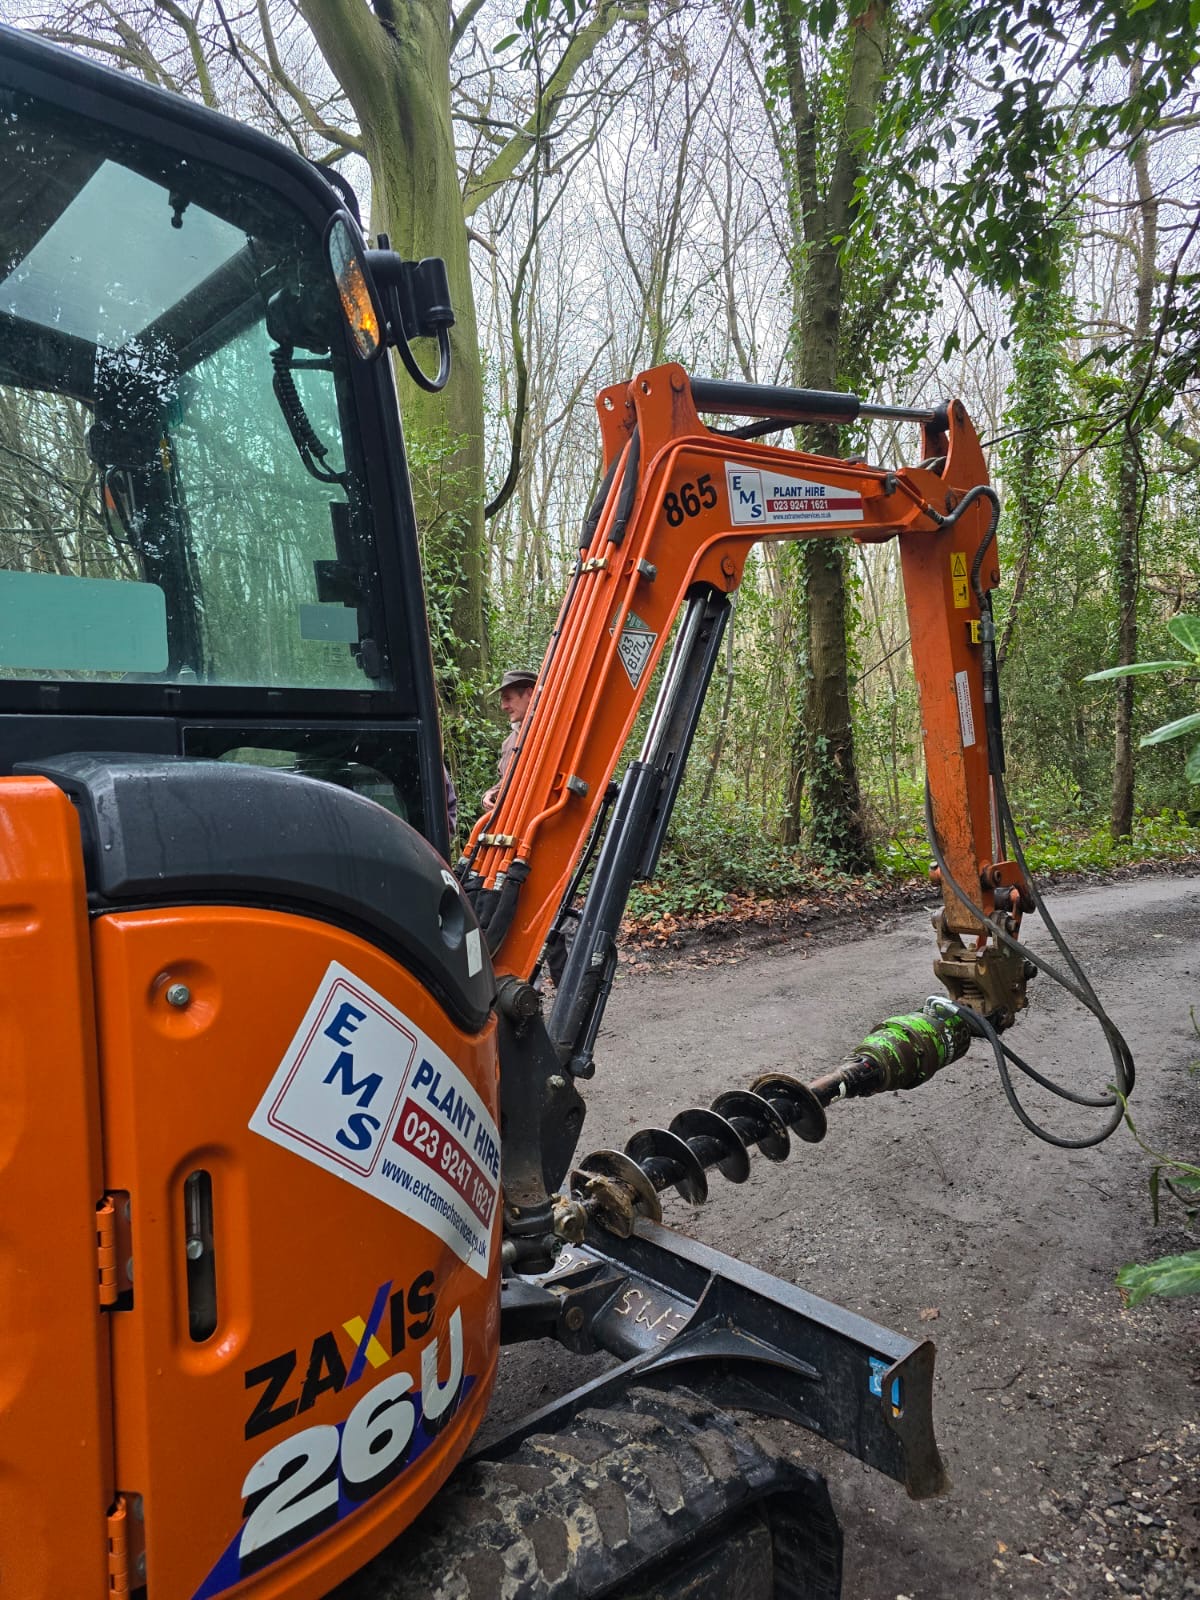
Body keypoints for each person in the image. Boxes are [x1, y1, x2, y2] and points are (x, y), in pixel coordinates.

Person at [481, 668, 536, 810]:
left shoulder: (551, 729)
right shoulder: (508, 743)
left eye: (508, 699)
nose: (503, 706)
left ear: (530, 694)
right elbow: (506, 780)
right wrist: (491, 794)